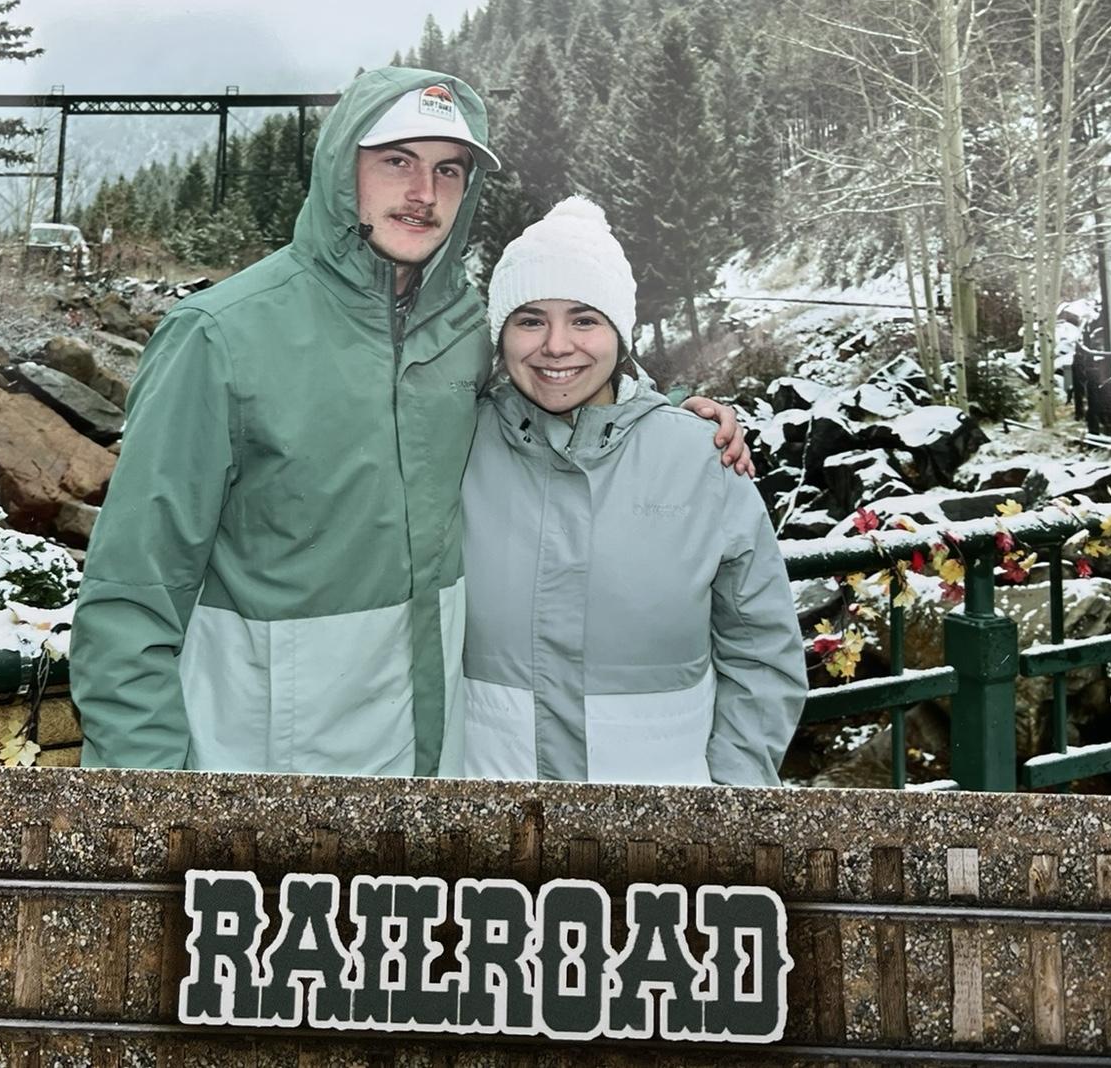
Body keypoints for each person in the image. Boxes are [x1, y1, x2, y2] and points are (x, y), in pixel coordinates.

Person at [70, 66, 750, 776]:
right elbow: (131, 594)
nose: (424, 192)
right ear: (343, 168)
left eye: (448, 170)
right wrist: (145, 796)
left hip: (433, 766)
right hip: (259, 774)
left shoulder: (466, 330)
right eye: (397, 161)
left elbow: (560, 390)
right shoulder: (219, 335)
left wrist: (668, 420)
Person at [461, 197, 808, 785]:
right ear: (501, 335)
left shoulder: (702, 459)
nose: (556, 345)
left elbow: (761, 651)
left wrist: (729, 798)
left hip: (667, 827)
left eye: (584, 320)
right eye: (530, 320)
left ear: (620, 335)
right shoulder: (457, 446)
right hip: (492, 822)